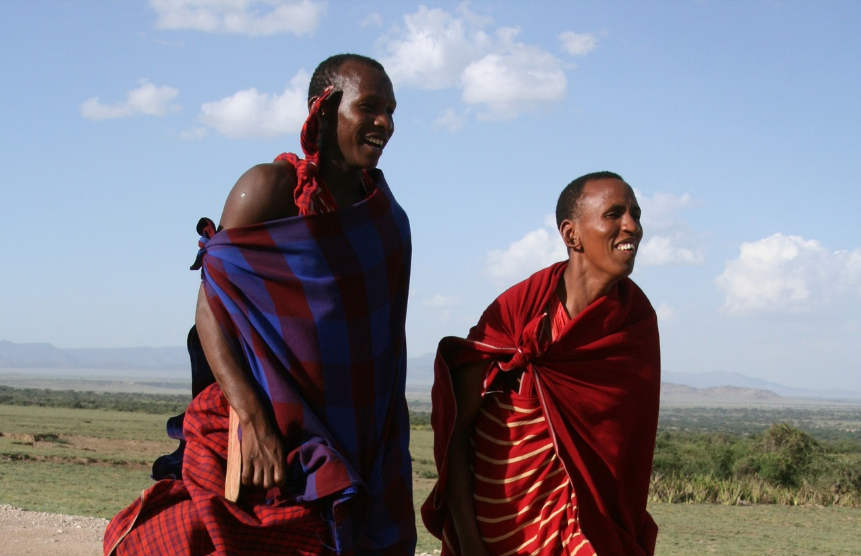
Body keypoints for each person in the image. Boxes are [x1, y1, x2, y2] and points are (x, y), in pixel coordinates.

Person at [104, 54, 416, 556]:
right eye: (370, 107)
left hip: (362, 428)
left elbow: (379, 339)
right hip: (276, 425)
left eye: (392, 110)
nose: (386, 123)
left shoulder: (380, 212)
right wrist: (254, 420)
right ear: (326, 107)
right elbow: (211, 307)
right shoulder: (270, 191)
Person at [421, 172, 661, 556]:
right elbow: (456, 434)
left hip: (588, 531)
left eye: (635, 213)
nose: (632, 225)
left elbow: (628, 451)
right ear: (572, 235)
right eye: (614, 214)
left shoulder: (634, 323)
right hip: (501, 532)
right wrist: (468, 541)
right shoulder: (520, 313)